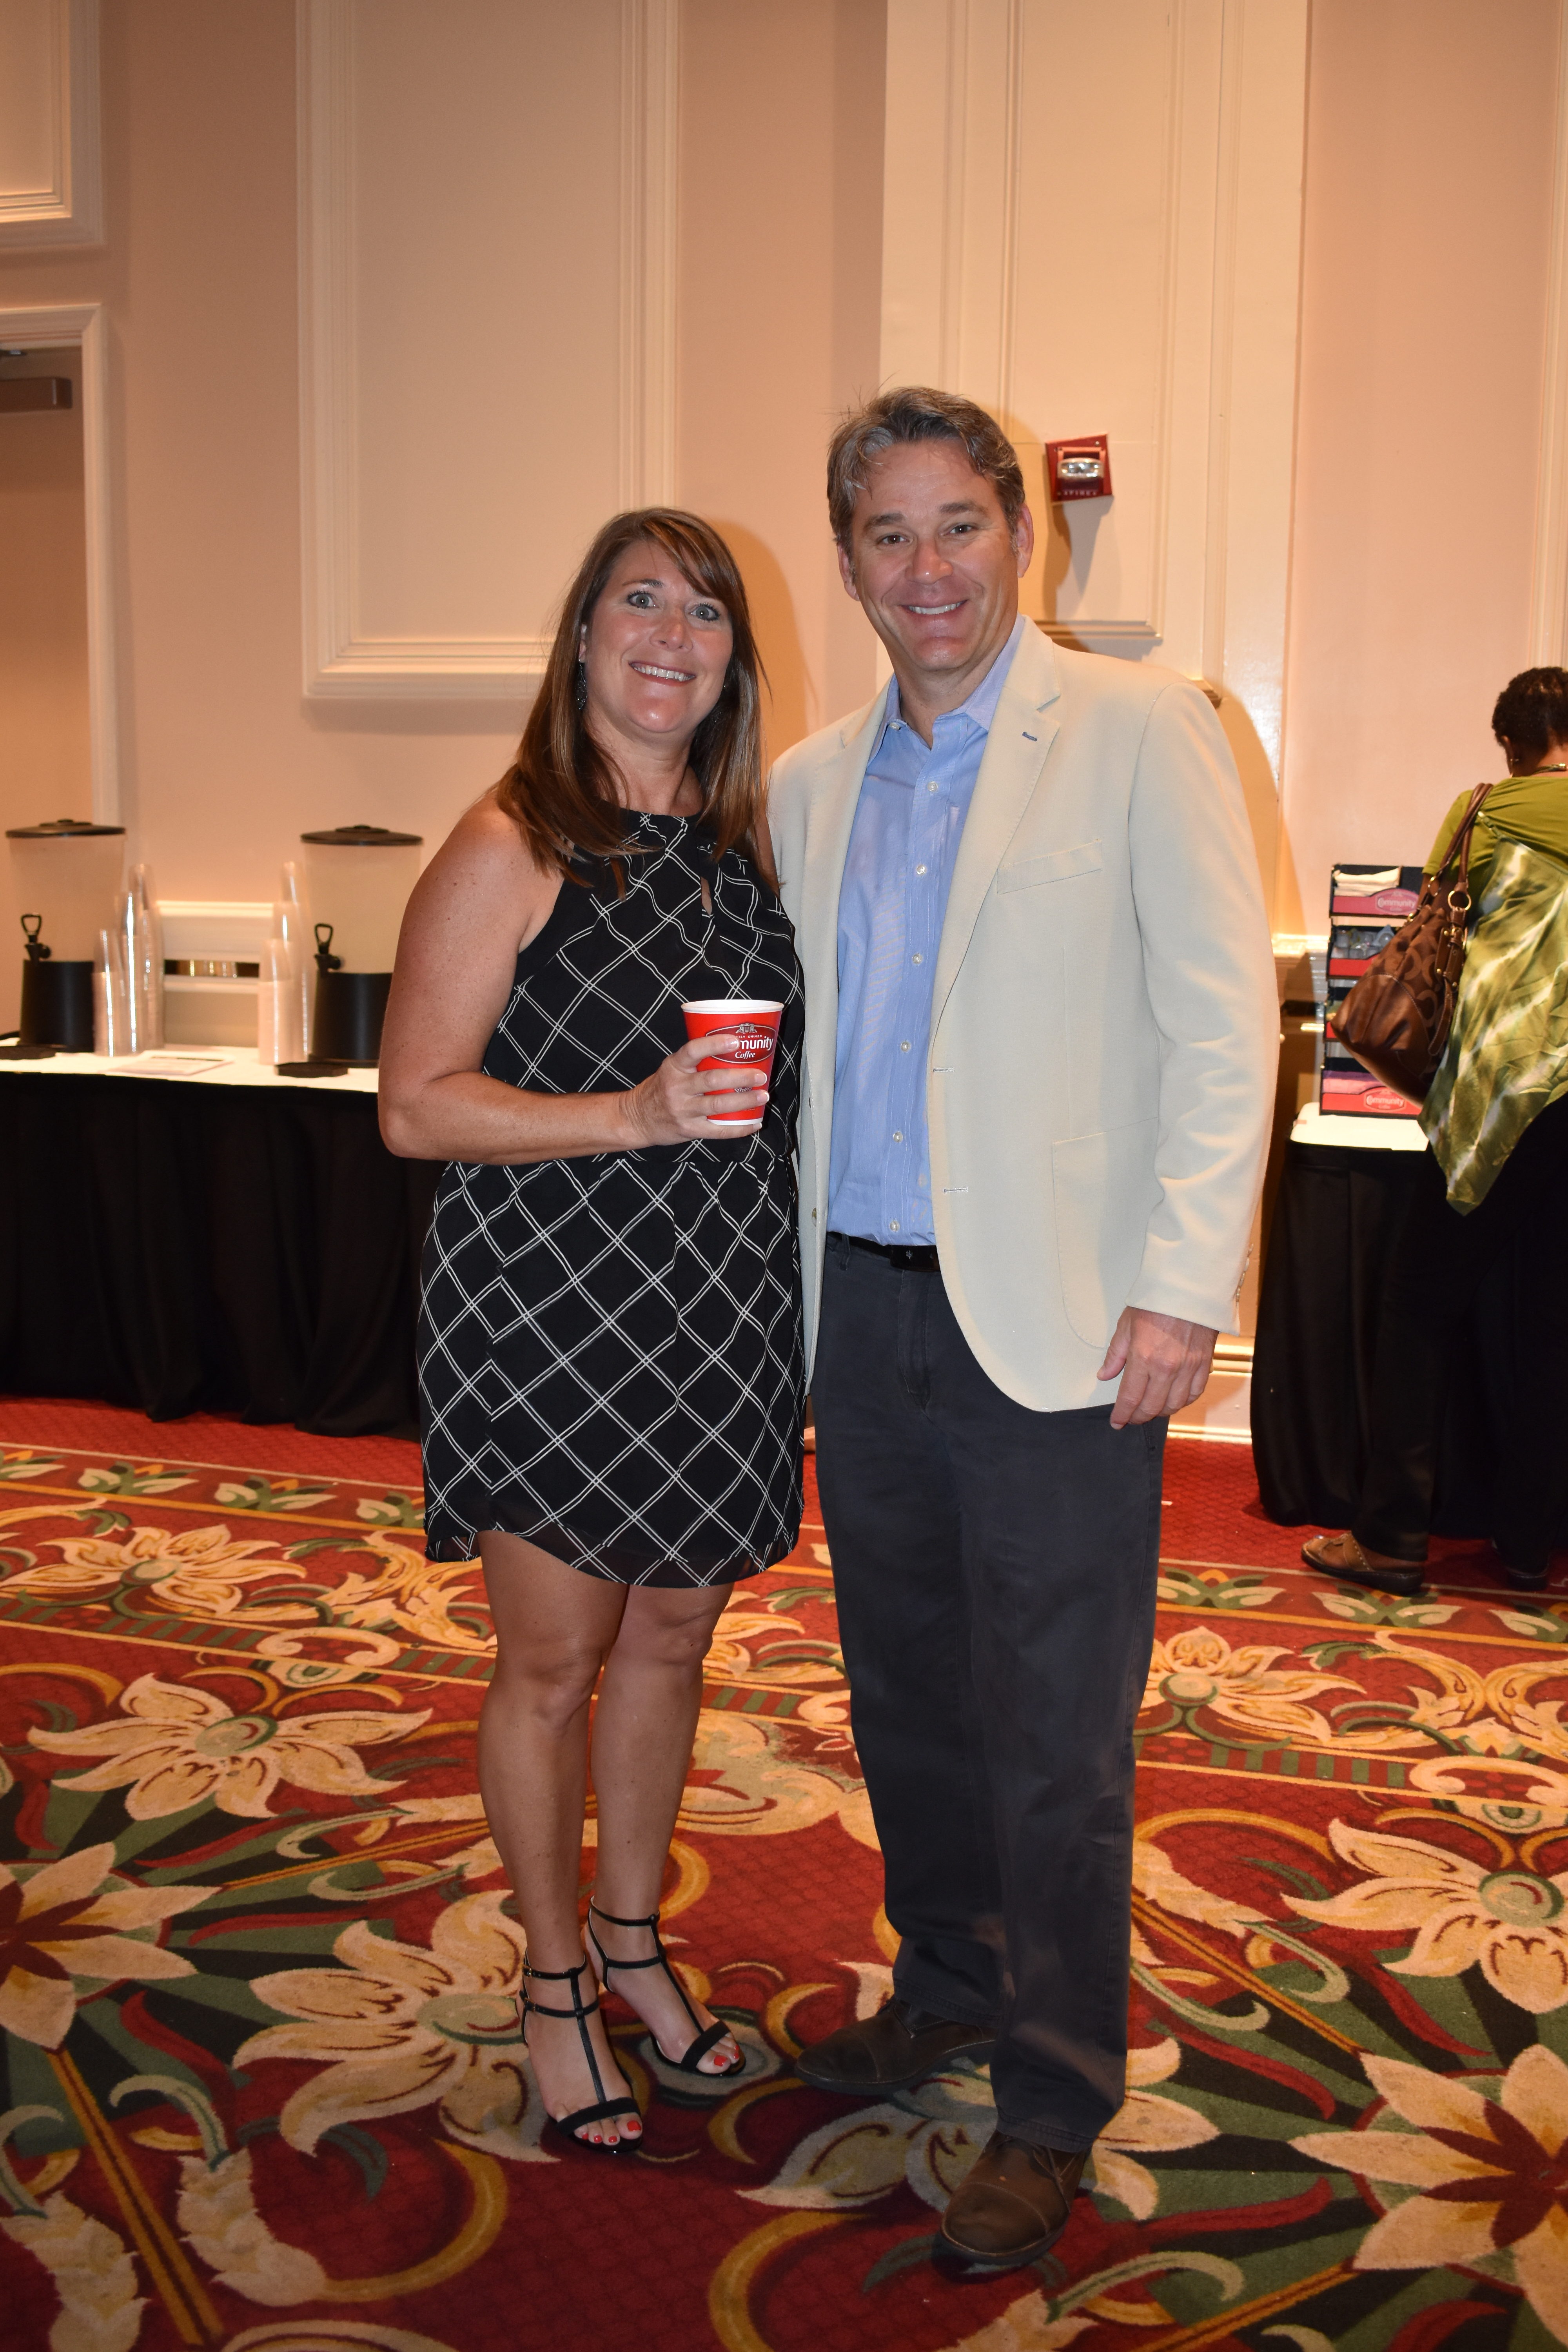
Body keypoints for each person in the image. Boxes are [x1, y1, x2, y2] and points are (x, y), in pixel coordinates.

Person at [767, 387, 1275, 2269]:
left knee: (1056, 1726)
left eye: (957, 525)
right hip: (858, 1310)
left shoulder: (1141, 729)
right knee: (900, 1690)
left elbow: (1221, 1024)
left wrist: (1183, 1284)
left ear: (1019, 534)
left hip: (1060, 1327)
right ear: (847, 561)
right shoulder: (808, 780)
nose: (928, 569)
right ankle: (946, 1985)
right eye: (886, 534)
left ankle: (1054, 2090)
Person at [380, 509, 804, 2151]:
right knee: (552, 1663)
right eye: (638, 601)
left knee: (673, 1642)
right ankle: (554, 1980)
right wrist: (629, 1113)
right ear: (579, 637)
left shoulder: (748, 850)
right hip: (551, 1314)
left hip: (718, 1310)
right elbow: (416, 1107)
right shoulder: (516, 838)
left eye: (704, 612)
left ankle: (633, 1942)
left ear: (732, 659)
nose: (669, 636)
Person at [1304, 666, 1568, 1597]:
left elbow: (1433, 928)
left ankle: (1389, 1538)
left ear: (1510, 744)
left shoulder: (1484, 811)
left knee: (1416, 1304)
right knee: (1552, 1322)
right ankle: (1529, 1544)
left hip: (1502, 1088)